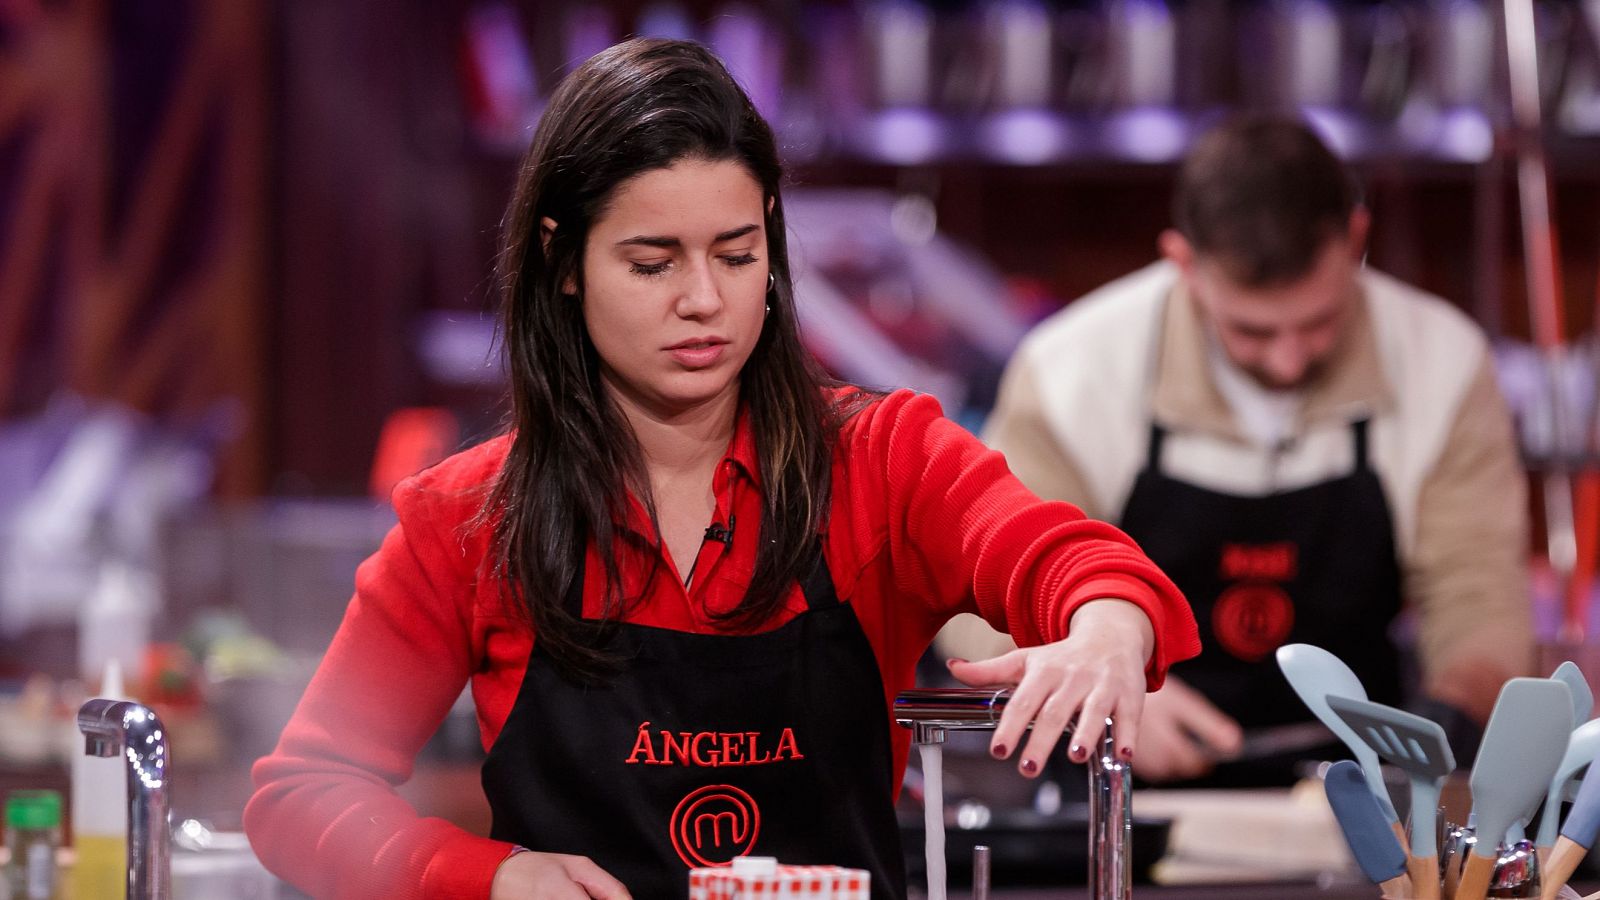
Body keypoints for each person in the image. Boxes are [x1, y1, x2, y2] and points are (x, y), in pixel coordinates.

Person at [243, 39, 1200, 900]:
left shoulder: (882, 460)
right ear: (562, 260)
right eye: (652, 263)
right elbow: (301, 795)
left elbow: (1075, 562)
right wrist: (482, 876)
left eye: (736, 256)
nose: (704, 301)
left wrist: (1107, 630)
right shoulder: (467, 518)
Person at [973, 116, 1533, 786]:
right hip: (1121, 793)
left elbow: (1476, 596)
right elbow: (996, 590)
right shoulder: (1073, 371)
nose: (1289, 359)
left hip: (1362, 795)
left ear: (1356, 238)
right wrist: (1097, 685)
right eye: (1251, 330)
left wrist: (1457, 711)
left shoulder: (1443, 362)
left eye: (1319, 322)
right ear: (1183, 263)